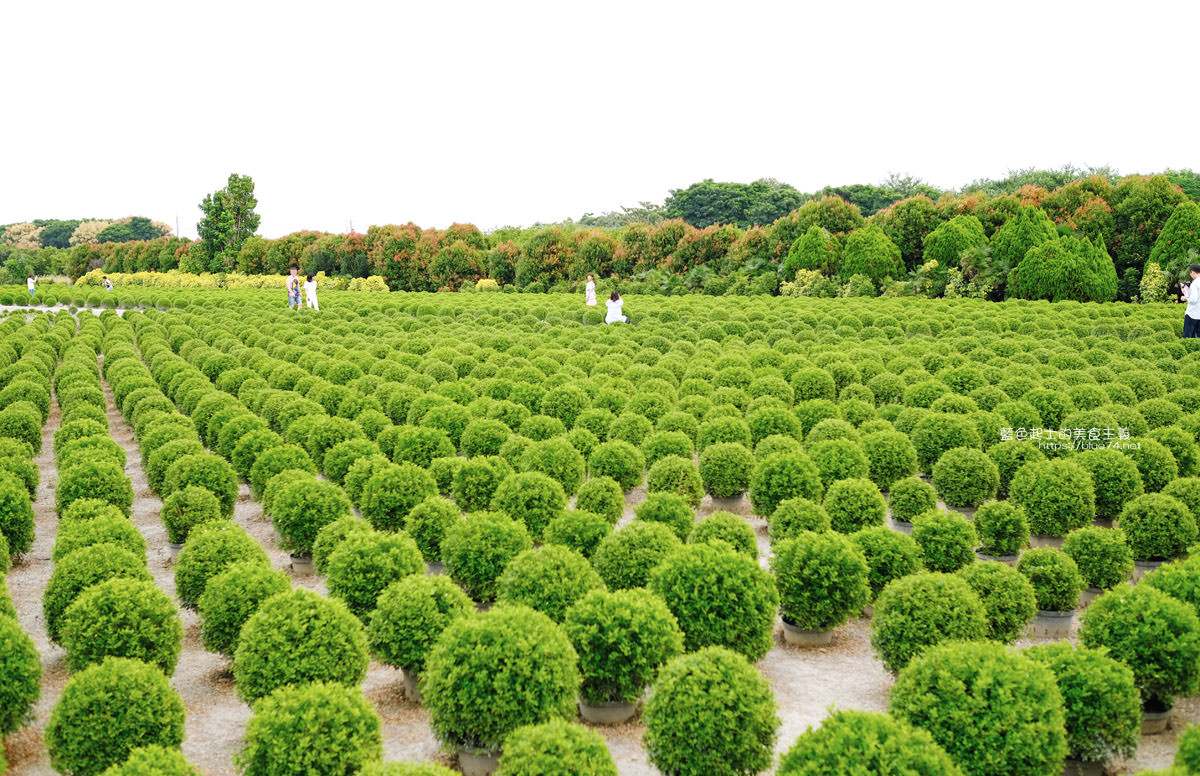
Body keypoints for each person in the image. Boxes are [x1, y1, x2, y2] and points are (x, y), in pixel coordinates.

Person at [1181, 263, 1200, 338]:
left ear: (1192, 272)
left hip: (1192, 313)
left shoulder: (1195, 284)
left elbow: (1193, 299)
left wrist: (1185, 298)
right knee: (1198, 337)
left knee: (1187, 337)